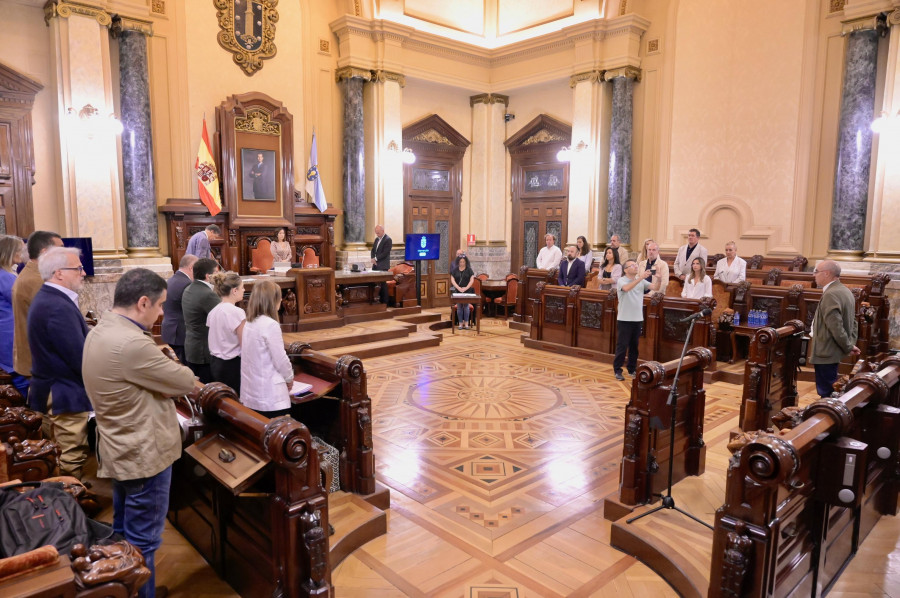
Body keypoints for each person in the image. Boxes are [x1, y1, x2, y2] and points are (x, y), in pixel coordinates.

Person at [83, 268, 197, 598]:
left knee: (123, 532)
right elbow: (185, 381)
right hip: (143, 454)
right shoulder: (132, 343)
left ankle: (123, 591)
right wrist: (172, 361)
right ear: (143, 302)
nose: (162, 313)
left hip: (120, 447)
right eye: (160, 305)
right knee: (142, 543)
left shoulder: (102, 329)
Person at [27, 246, 90, 479]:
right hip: (64, 391)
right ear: (59, 272)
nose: (83, 273)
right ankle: (71, 504)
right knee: (71, 453)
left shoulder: (49, 298)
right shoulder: (57, 306)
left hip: (51, 387)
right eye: (78, 268)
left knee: (60, 451)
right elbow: (78, 356)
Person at [12, 230, 63, 382]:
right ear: (45, 252)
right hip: (42, 364)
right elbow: (53, 325)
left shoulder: (34, 275)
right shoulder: (37, 281)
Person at [240, 280, 294, 418]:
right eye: (279, 297)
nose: (281, 300)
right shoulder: (270, 325)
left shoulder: (250, 322)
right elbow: (280, 359)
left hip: (251, 392)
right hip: (269, 397)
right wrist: (289, 378)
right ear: (272, 300)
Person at [809, 260, 860, 398]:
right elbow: (853, 322)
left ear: (826, 273)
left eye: (816, 272)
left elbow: (836, 327)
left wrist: (848, 346)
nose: (814, 275)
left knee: (827, 392)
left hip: (826, 351)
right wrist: (850, 344)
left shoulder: (831, 294)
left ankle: (827, 417)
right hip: (833, 350)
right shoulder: (845, 290)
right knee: (829, 389)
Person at [181, 258, 221, 383]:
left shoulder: (189, 288)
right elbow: (224, 317)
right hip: (204, 351)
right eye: (216, 272)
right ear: (208, 276)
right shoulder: (207, 294)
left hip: (192, 347)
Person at [207, 271, 246, 394]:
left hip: (215, 363)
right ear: (234, 291)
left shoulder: (213, 311)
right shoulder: (237, 312)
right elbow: (243, 344)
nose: (244, 290)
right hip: (232, 365)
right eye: (242, 287)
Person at [614, 259, 652, 380]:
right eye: (632, 265)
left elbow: (654, 286)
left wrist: (660, 278)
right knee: (622, 346)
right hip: (625, 319)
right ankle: (617, 370)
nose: (636, 267)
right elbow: (626, 288)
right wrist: (641, 278)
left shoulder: (640, 281)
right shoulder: (621, 280)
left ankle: (632, 369)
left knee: (634, 346)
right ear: (625, 269)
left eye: (636, 265)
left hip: (637, 318)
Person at [0, 236, 29, 395]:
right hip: (9, 337)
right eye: (21, 249)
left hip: (7, 335)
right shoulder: (6, 277)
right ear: (9, 251)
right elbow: (23, 304)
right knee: (20, 379)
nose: (23, 252)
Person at [160, 254, 198, 364]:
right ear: (191, 268)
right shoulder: (186, 284)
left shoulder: (172, 279)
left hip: (171, 330)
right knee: (190, 368)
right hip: (180, 333)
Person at [450, 256, 475, 329]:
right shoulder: (455, 270)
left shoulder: (469, 270)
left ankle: (466, 323)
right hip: (457, 291)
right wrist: (458, 288)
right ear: (458, 262)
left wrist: (466, 288)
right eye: (460, 262)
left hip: (466, 290)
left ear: (466, 262)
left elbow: (472, 280)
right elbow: (452, 280)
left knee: (466, 307)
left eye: (463, 262)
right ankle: (460, 323)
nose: (462, 263)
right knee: (459, 307)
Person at [370, 225, 392, 304]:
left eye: (378, 233)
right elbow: (373, 250)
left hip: (383, 265)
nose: (377, 234)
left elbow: (385, 253)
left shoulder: (388, 239)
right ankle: (376, 300)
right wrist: (373, 258)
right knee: (375, 282)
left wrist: (376, 259)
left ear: (383, 231)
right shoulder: (376, 239)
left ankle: (385, 302)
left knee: (382, 283)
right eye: (376, 233)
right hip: (376, 265)